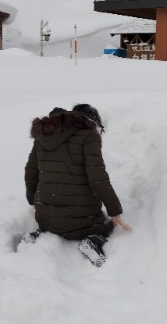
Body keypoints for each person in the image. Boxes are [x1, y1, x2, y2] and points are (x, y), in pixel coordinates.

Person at [24, 103, 131, 266]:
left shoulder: (44, 135)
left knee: (52, 223)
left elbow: (30, 173)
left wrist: (33, 202)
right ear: (91, 122)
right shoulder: (88, 136)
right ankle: (93, 241)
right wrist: (115, 211)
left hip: (44, 218)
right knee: (103, 225)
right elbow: (98, 177)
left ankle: (37, 236)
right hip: (82, 222)